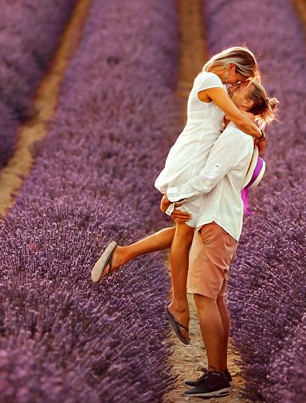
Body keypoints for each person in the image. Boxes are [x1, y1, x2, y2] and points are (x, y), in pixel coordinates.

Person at [92, 47, 266, 345]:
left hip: (196, 159)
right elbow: (237, 116)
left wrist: (256, 128)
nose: (236, 85)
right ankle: (178, 304)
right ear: (231, 67)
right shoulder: (208, 81)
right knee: (185, 232)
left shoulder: (216, 85)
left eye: (242, 84)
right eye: (240, 78)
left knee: (187, 226)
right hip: (193, 159)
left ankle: (125, 254)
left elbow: (237, 118)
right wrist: (259, 134)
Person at [167, 82, 279, 398]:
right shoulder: (247, 135)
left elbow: (208, 178)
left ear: (248, 105)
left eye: (236, 95)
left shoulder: (236, 136)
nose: (228, 97)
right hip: (222, 220)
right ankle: (220, 370)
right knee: (214, 297)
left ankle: (217, 375)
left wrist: (173, 197)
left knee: (203, 296)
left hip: (216, 221)